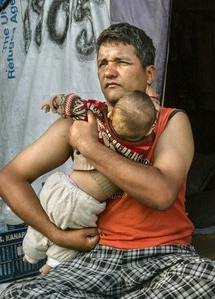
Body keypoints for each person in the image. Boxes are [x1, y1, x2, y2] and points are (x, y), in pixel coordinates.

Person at [0, 23, 215, 299]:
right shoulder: (84, 120)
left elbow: (161, 194)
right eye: (103, 63)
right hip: (99, 259)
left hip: (166, 259)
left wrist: (90, 148)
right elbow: (9, 178)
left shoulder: (170, 121)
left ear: (149, 74)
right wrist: (57, 235)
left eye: (121, 61)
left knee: (211, 281)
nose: (109, 71)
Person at [23, 90, 158, 274]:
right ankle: (51, 265)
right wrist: (154, 101)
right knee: (71, 241)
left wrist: (55, 102)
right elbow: (148, 121)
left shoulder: (100, 120)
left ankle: (30, 253)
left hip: (59, 186)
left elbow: (76, 104)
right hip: (81, 205)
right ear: (149, 130)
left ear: (111, 114)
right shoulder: (136, 150)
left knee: (41, 224)